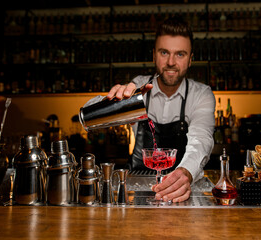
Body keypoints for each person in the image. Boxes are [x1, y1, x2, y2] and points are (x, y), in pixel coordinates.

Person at [86, 16, 215, 203]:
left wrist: (185, 172)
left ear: (190, 59)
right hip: (137, 187)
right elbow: (88, 119)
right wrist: (112, 103)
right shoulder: (138, 87)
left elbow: (201, 139)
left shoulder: (201, 94)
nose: (171, 62)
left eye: (180, 54)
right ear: (154, 55)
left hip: (182, 191)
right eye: (164, 53)